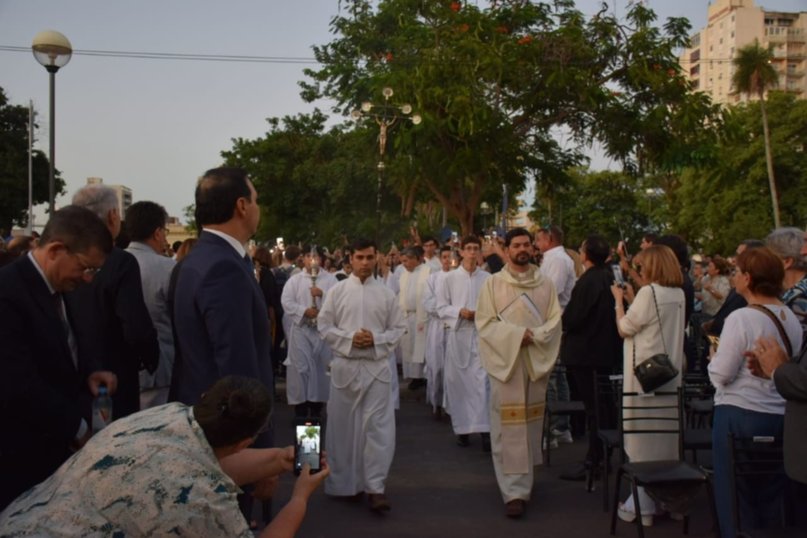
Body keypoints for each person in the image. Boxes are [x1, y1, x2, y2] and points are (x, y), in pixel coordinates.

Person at [0, 376, 329, 537]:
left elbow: (196, 461)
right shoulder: (205, 501)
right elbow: (198, 475)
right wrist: (299, 498)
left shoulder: (168, 416)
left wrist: (278, 459)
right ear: (244, 442)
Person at [0, 206, 117, 510]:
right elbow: (18, 383)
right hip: (21, 460)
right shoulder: (8, 293)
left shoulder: (62, 288)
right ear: (55, 250)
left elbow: (65, 350)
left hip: (55, 458)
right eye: (86, 267)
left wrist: (90, 371)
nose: (89, 278)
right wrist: (78, 430)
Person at [707, 247, 802, 538]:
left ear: (748, 278)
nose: (733, 276)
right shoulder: (791, 317)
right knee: (773, 497)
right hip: (781, 413)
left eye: (736, 271)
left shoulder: (741, 318)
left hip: (740, 414)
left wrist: (713, 357)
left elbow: (722, 374)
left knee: (736, 497)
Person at [169, 167, 273, 422]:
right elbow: (238, 367)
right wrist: (254, 439)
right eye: (256, 200)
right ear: (242, 206)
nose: (258, 208)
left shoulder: (194, 261)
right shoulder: (223, 267)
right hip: (228, 431)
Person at [475, 228, 562, 518]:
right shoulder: (493, 284)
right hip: (506, 362)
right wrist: (515, 335)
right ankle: (512, 491)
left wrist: (534, 336)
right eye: (516, 245)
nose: (523, 249)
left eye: (527, 244)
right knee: (506, 426)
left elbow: (554, 322)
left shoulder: (545, 284)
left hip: (534, 360)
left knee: (528, 425)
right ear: (507, 249)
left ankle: (524, 482)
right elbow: (484, 323)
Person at [317, 238, 406, 512]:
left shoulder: (387, 294)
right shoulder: (337, 291)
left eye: (369, 257)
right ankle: (345, 483)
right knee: (343, 427)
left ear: (376, 258)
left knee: (378, 429)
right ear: (350, 259)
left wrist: (376, 339)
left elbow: (399, 327)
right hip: (345, 365)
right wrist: (351, 338)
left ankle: (375, 487)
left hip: (377, 368)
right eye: (360, 257)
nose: (365, 262)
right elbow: (324, 325)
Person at [68, 184, 159, 420]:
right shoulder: (120, 262)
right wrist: (151, 358)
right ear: (113, 216)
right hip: (114, 378)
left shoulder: (64, 260)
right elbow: (136, 325)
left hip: (73, 375)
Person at [611, 244, 686, 526]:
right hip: (669, 374)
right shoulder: (677, 294)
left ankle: (643, 506)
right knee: (665, 440)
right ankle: (668, 499)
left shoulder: (649, 293)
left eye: (642, 266)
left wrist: (619, 301)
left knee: (641, 439)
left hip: (643, 376)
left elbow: (625, 328)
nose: (639, 270)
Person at [559, 235, 623, 481]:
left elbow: (574, 318)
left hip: (586, 354)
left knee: (594, 409)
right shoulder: (608, 277)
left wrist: (564, 319)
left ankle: (594, 459)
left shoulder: (588, 281)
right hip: (604, 352)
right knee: (602, 407)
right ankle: (599, 456)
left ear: (585, 255)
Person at [437, 235, 492, 450]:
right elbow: (441, 307)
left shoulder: (487, 279)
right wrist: (459, 311)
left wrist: (480, 314)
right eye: (467, 248)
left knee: (483, 383)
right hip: (458, 335)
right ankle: (463, 429)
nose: (471, 252)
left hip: (480, 336)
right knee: (460, 385)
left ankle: (485, 430)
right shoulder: (449, 279)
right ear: (461, 251)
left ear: (479, 252)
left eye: (475, 248)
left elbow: (494, 307)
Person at [125, 201, 178, 409]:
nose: (165, 239)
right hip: (160, 370)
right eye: (164, 232)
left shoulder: (110, 265)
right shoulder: (168, 268)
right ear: (157, 233)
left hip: (119, 370)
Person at [281, 246, 338, 420]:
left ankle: (316, 408)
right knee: (301, 369)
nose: (311, 259)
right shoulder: (295, 280)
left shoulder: (331, 280)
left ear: (321, 260)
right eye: (308, 256)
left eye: (315, 256)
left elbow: (338, 301)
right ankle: (300, 409)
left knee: (320, 369)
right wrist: (304, 311)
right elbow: (286, 301)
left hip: (321, 332)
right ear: (303, 259)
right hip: (302, 330)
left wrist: (323, 294)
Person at [535, 226, 576, 446]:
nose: (536, 245)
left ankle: (554, 428)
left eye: (538, 240)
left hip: (552, 321)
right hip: (550, 321)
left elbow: (552, 291)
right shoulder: (552, 258)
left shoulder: (558, 260)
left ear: (549, 239)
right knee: (557, 376)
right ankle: (560, 426)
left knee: (551, 375)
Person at [424, 245, 453, 418]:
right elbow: (427, 302)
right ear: (440, 259)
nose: (448, 260)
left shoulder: (459, 278)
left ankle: (451, 405)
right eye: (444, 257)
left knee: (452, 368)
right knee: (437, 366)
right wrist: (445, 309)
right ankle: (436, 403)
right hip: (437, 325)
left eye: (451, 257)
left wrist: (451, 311)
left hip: (454, 327)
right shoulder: (433, 278)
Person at [398, 245, 431, 390]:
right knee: (409, 346)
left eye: (406, 261)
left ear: (415, 259)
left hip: (422, 315)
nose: (404, 264)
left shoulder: (428, 272)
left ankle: (422, 377)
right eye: (402, 261)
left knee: (421, 347)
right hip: (407, 315)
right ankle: (413, 376)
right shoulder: (404, 274)